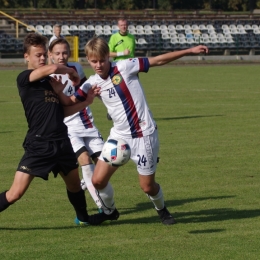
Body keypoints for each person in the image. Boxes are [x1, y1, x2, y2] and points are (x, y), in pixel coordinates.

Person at [52, 37, 208, 226]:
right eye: (94, 61)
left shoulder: (125, 67)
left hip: (144, 135)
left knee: (147, 186)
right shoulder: (90, 84)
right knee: (98, 181)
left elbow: (157, 60)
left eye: (102, 60)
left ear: (108, 56)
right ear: (88, 60)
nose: (99, 65)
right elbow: (70, 102)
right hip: (119, 136)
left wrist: (189, 51)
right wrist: (60, 88)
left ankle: (162, 210)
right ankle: (110, 212)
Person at [0, 33, 98, 226]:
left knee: (75, 186)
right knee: (15, 193)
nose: (43, 58)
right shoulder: (24, 78)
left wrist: (86, 101)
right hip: (39, 144)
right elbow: (53, 67)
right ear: (26, 57)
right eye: (38, 55)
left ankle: (83, 218)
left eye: (44, 54)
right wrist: (71, 72)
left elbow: (62, 111)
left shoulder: (50, 83)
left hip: (61, 142)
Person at [48, 38, 104, 213]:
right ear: (50, 55)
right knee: (85, 161)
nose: (62, 56)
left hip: (86, 121)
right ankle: (102, 206)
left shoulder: (76, 68)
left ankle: (87, 183)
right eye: (57, 53)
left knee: (104, 164)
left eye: (65, 52)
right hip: (68, 127)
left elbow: (87, 88)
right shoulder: (47, 75)